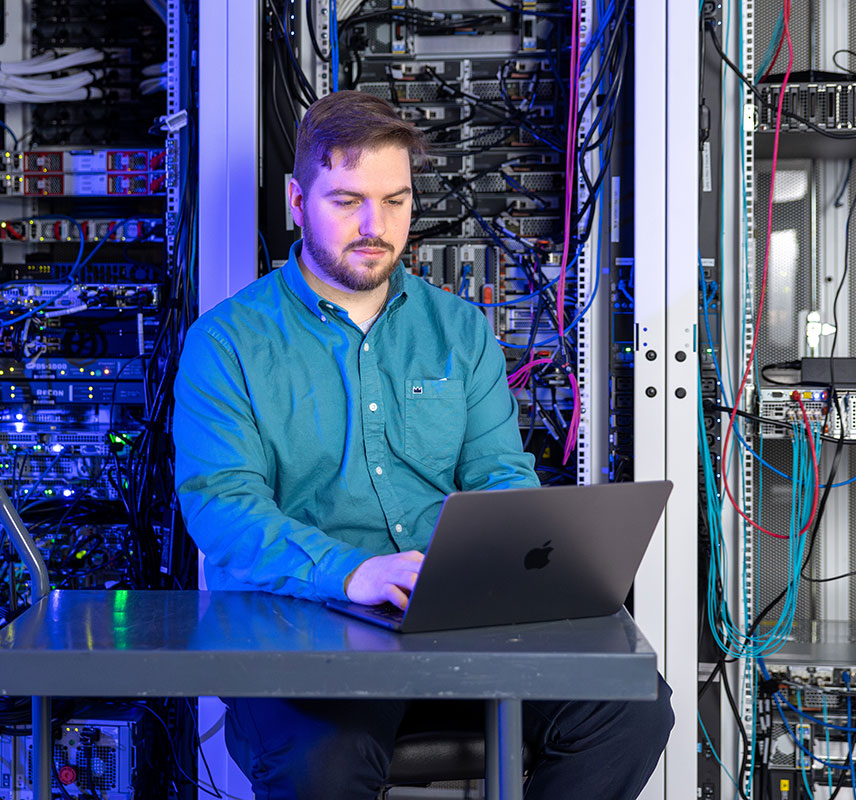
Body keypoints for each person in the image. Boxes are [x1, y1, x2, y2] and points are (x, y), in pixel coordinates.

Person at [172, 90, 673, 799]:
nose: (375, 226)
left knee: (632, 707)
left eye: (395, 201)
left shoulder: (459, 330)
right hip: (300, 631)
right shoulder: (228, 343)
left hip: (455, 624)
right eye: (347, 201)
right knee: (328, 763)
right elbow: (222, 505)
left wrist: (518, 563)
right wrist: (352, 573)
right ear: (296, 200)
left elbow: (500, 472)